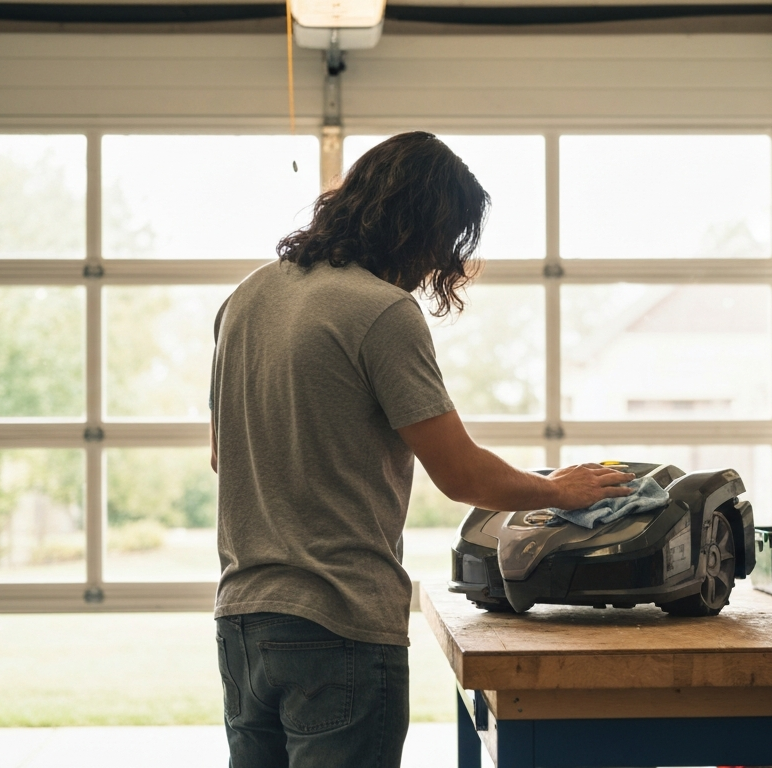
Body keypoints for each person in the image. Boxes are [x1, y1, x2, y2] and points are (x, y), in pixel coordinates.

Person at [208, 131, 635, 768]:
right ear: (418, 228)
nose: (440, 261)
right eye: (445, 240)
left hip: (242, 619)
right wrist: (557, 490)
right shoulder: (381, 311)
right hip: (340, 622)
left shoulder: (246, 298)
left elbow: (225, 455)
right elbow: (460, 474)